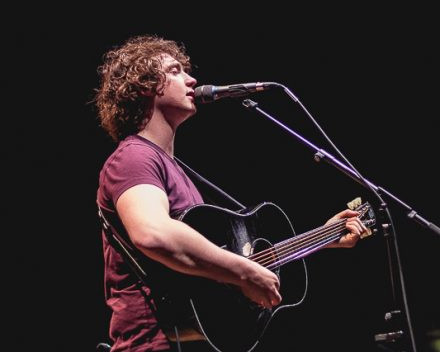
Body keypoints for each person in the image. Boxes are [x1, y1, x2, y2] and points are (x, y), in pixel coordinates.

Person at [94, 34, 368, 352]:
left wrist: (323, 236)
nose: (191, 78)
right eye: (174, 71)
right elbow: (153, 233)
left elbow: (223, 263)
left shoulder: (173, 168)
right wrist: (243, 272)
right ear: (144, 86)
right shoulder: (133, 157)